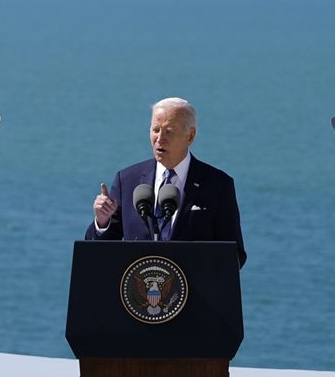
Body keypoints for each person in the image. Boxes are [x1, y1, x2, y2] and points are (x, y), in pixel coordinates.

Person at [86, 98, 246, 268]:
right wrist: (102, 221)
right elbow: (98, 248)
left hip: (194, 292)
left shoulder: (217, 185)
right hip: (137, 291)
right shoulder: (127, 180)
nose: (160, 139)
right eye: (155, 130)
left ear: (190, 136)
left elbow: (234, 255)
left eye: (169, 132)